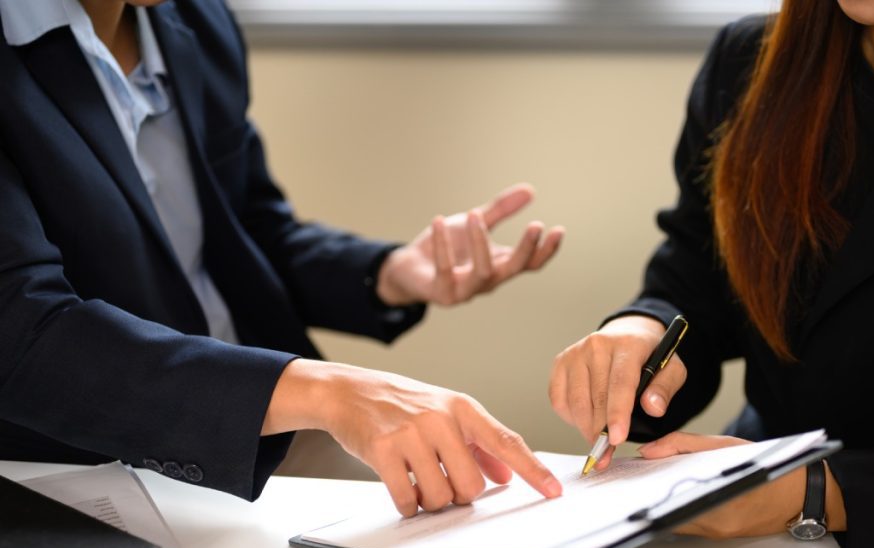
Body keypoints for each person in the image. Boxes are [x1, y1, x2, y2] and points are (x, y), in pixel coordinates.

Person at [0, 0, 566, 517]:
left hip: (258, 429)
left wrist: (388, 274)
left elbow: (247, 230)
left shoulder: (194, 20)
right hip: (69, 465)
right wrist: (326, 392)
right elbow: (22, 332)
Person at [549, 0, 874, 548]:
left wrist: (818, 491)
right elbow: (699, 268)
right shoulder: (749, 60)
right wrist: (644, 331)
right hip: (752, 517)